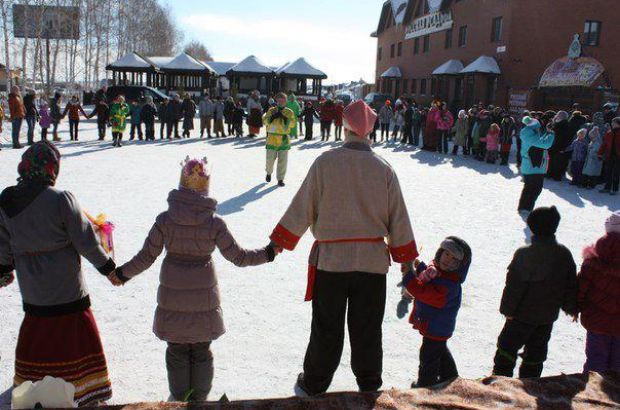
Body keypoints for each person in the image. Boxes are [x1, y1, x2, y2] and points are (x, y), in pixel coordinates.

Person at [269, 100, 418, 397]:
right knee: (367, 328)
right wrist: (406, 261)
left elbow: (303, 206)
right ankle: (369, 383)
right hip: (372, 265)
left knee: (326, 327)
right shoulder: (383, 168)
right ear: (370, 131)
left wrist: (278, 243)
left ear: (344, 127)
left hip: (332, 264)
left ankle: (315, 382)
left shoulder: (325, 162)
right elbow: (398, 217)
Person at [109, 157, 279, 402]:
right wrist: (269, 253)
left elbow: (146, 256)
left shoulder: (165, 220)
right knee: (201, 351)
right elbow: (239, 257)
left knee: (177, 351)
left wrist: (122, 273)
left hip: (173, 298)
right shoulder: (214, 223)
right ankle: (199, 402)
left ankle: (178, 401)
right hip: (203, 299)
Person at [0, 142, 117, 406]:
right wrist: (108, 269)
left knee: (37, 330)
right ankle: (82, 386)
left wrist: (4, 271)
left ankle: (33, 383)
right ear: (52, 168)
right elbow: (86, 241)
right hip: (66, 288)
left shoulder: (6, 201)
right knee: (72, 333)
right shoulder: (61, 199)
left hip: (33, 290)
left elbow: (3, 244)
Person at [493, 206, 578, 379]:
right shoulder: (564, 254)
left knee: (507, 349)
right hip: (546, 318)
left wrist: (507, 310)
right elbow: (571, 284)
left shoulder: (525, 254)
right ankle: (531, 384)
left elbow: (514, 286)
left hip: (520, 317)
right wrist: (571, 307)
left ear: (532, 227)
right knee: (536, 353)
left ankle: (501, 383)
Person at [401, 237, 471, 388]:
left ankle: (426, 385)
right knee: (439, 350)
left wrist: (408, 278)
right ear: (440, 252)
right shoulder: (437, 271)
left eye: (454, 259)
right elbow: (430, 276)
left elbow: (423, 292)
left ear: (459, 265)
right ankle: (450, 377)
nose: (448, 260)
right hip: (436, 326)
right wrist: (419, 267)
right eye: (446, 254)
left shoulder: (449, 285)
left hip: (437, 327)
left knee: (428, 356)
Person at [578, 211, 620, 373]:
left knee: (595, 361)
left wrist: (576, 306)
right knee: (617, 366)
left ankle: (591, 395)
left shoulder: (595, 255)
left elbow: (582, 286)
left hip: (596, 320)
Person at [517, 116, 555, 215]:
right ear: (535, 127)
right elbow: (545, 144)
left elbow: (539, 140)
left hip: (530, 167)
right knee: (535, 188)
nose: (539, 128)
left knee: (528, 187)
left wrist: (547, 133)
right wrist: (550, 134)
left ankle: (523, 207)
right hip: (533, 168)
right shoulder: (530, 136)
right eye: (538, 126)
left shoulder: (529, 133)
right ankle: (526, 208)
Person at [263, 92, 295, 187]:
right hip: (272, 138)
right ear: (276, 101)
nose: (281, 102)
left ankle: (280, 179)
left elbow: (293, 124)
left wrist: (286, 119)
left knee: (283, 161)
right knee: (270, 160)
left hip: (284, 139)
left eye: (283, 100)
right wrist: (272, 117)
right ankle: (269, 172)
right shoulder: (271, 110)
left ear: (286, 101)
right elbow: (265, 120)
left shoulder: (289, 112)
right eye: (279, 100)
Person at [546, 111, 571, 181]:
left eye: (558, 115)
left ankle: (555, 175)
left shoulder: (564, 124)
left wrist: (563, 147)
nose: (556, 115)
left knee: (557, 161)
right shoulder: (556, 123)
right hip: (554, 145)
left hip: (559, 145)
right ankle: (551, 174)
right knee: (552, 160)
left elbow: (565, 137)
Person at [598, 117, 620, 195]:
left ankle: (615, 189)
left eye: (613, 123)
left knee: (616, 173)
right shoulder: (609, 133)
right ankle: (607, 188)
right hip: (609, 155)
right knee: (608, 172)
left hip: (618, 157)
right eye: (612, 122)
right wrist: (600, 153)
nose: (612, 124)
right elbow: (604, 144)